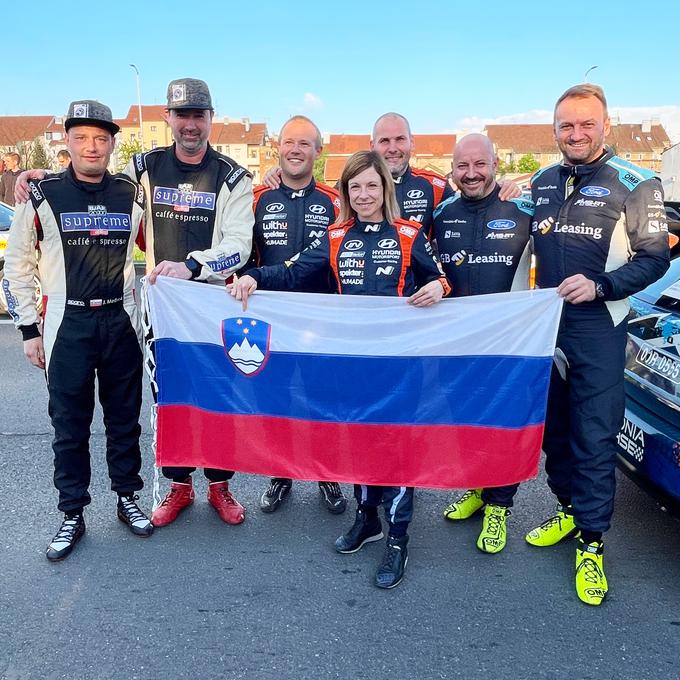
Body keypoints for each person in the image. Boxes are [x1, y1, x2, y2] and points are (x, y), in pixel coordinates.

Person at [231, 150, 450, 589]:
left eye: (372, 185)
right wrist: (255, 276)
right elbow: (292, 272)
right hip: (351, 365)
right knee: (359, 445)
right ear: (346, 193)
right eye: (355, 187)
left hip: (399, 366)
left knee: (396, 452)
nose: (364, 194)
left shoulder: (410, 234)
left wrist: (436, 287)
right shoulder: (334, 237)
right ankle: (367, 520)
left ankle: (398, 539)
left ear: (385, 189)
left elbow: (442, 278)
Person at [526, 84, 670, 605]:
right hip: (546, 328)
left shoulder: (636, 182)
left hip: (599, 327)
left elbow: (655, 258)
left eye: (586, 124)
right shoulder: (542, 183)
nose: (576, 134)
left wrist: (602, 285)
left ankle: (592, 541)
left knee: (594, 436)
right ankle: (567, 509)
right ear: (556, 129)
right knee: (554, 433)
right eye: (567, 125)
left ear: (605, 125)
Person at [2, 100, 153, 561]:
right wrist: (28, 328)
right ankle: (72, 511)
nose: (92, 146)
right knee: (69, 426)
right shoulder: (42, 195)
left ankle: (128, 496)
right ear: (66, 142)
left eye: (101, 138)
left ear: (111, 144)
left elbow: (168, 232)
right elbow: (18, 265)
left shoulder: (131, 194)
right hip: (67, 324)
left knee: (125, 419)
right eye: (82, 137)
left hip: (120, 320)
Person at [136, 78, 254, 528]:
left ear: (210, 118)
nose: (190, 124)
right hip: (162, 310)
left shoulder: (232, 175)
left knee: (219, 396)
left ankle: (221, 486)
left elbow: (239, 246)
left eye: (198, 115)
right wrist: (37, 179)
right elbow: (97, 191)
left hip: (211, 306)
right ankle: (179, 486)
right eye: (182, 114)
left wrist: (192, 265)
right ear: (168, 117)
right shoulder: (142, 167)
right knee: (169, 397)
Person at [433, 133, 533, 553]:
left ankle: (499, 508)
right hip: (458, 342)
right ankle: (477, 489)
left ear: (495, 164)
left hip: (509, 342)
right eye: (462, 166)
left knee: (502, 425)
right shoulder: (440, 213)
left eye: (480, 164)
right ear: (452, 170)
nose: (471, 173)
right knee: (465, 421)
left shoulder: (522, 208)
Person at [250, 115, 347, 515]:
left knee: (322, 402)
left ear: (318, 151)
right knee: (277, 401)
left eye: (305, 144)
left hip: (320, 322)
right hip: (269, 320)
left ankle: (327, 474)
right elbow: (240, 251)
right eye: (290, 142)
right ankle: (281, 474)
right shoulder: (258, 196)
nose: (295, 150)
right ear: (278, 148)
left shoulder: (335, 200)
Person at [262, 112, 521, 230]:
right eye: (385, 141)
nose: (393, 148)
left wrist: (506, 187)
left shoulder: (434, 186)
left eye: (400, 140)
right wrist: (279, 177)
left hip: (419, 299)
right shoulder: (350, 184)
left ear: (412, 142)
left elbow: (471, 204)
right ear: (372, 146)